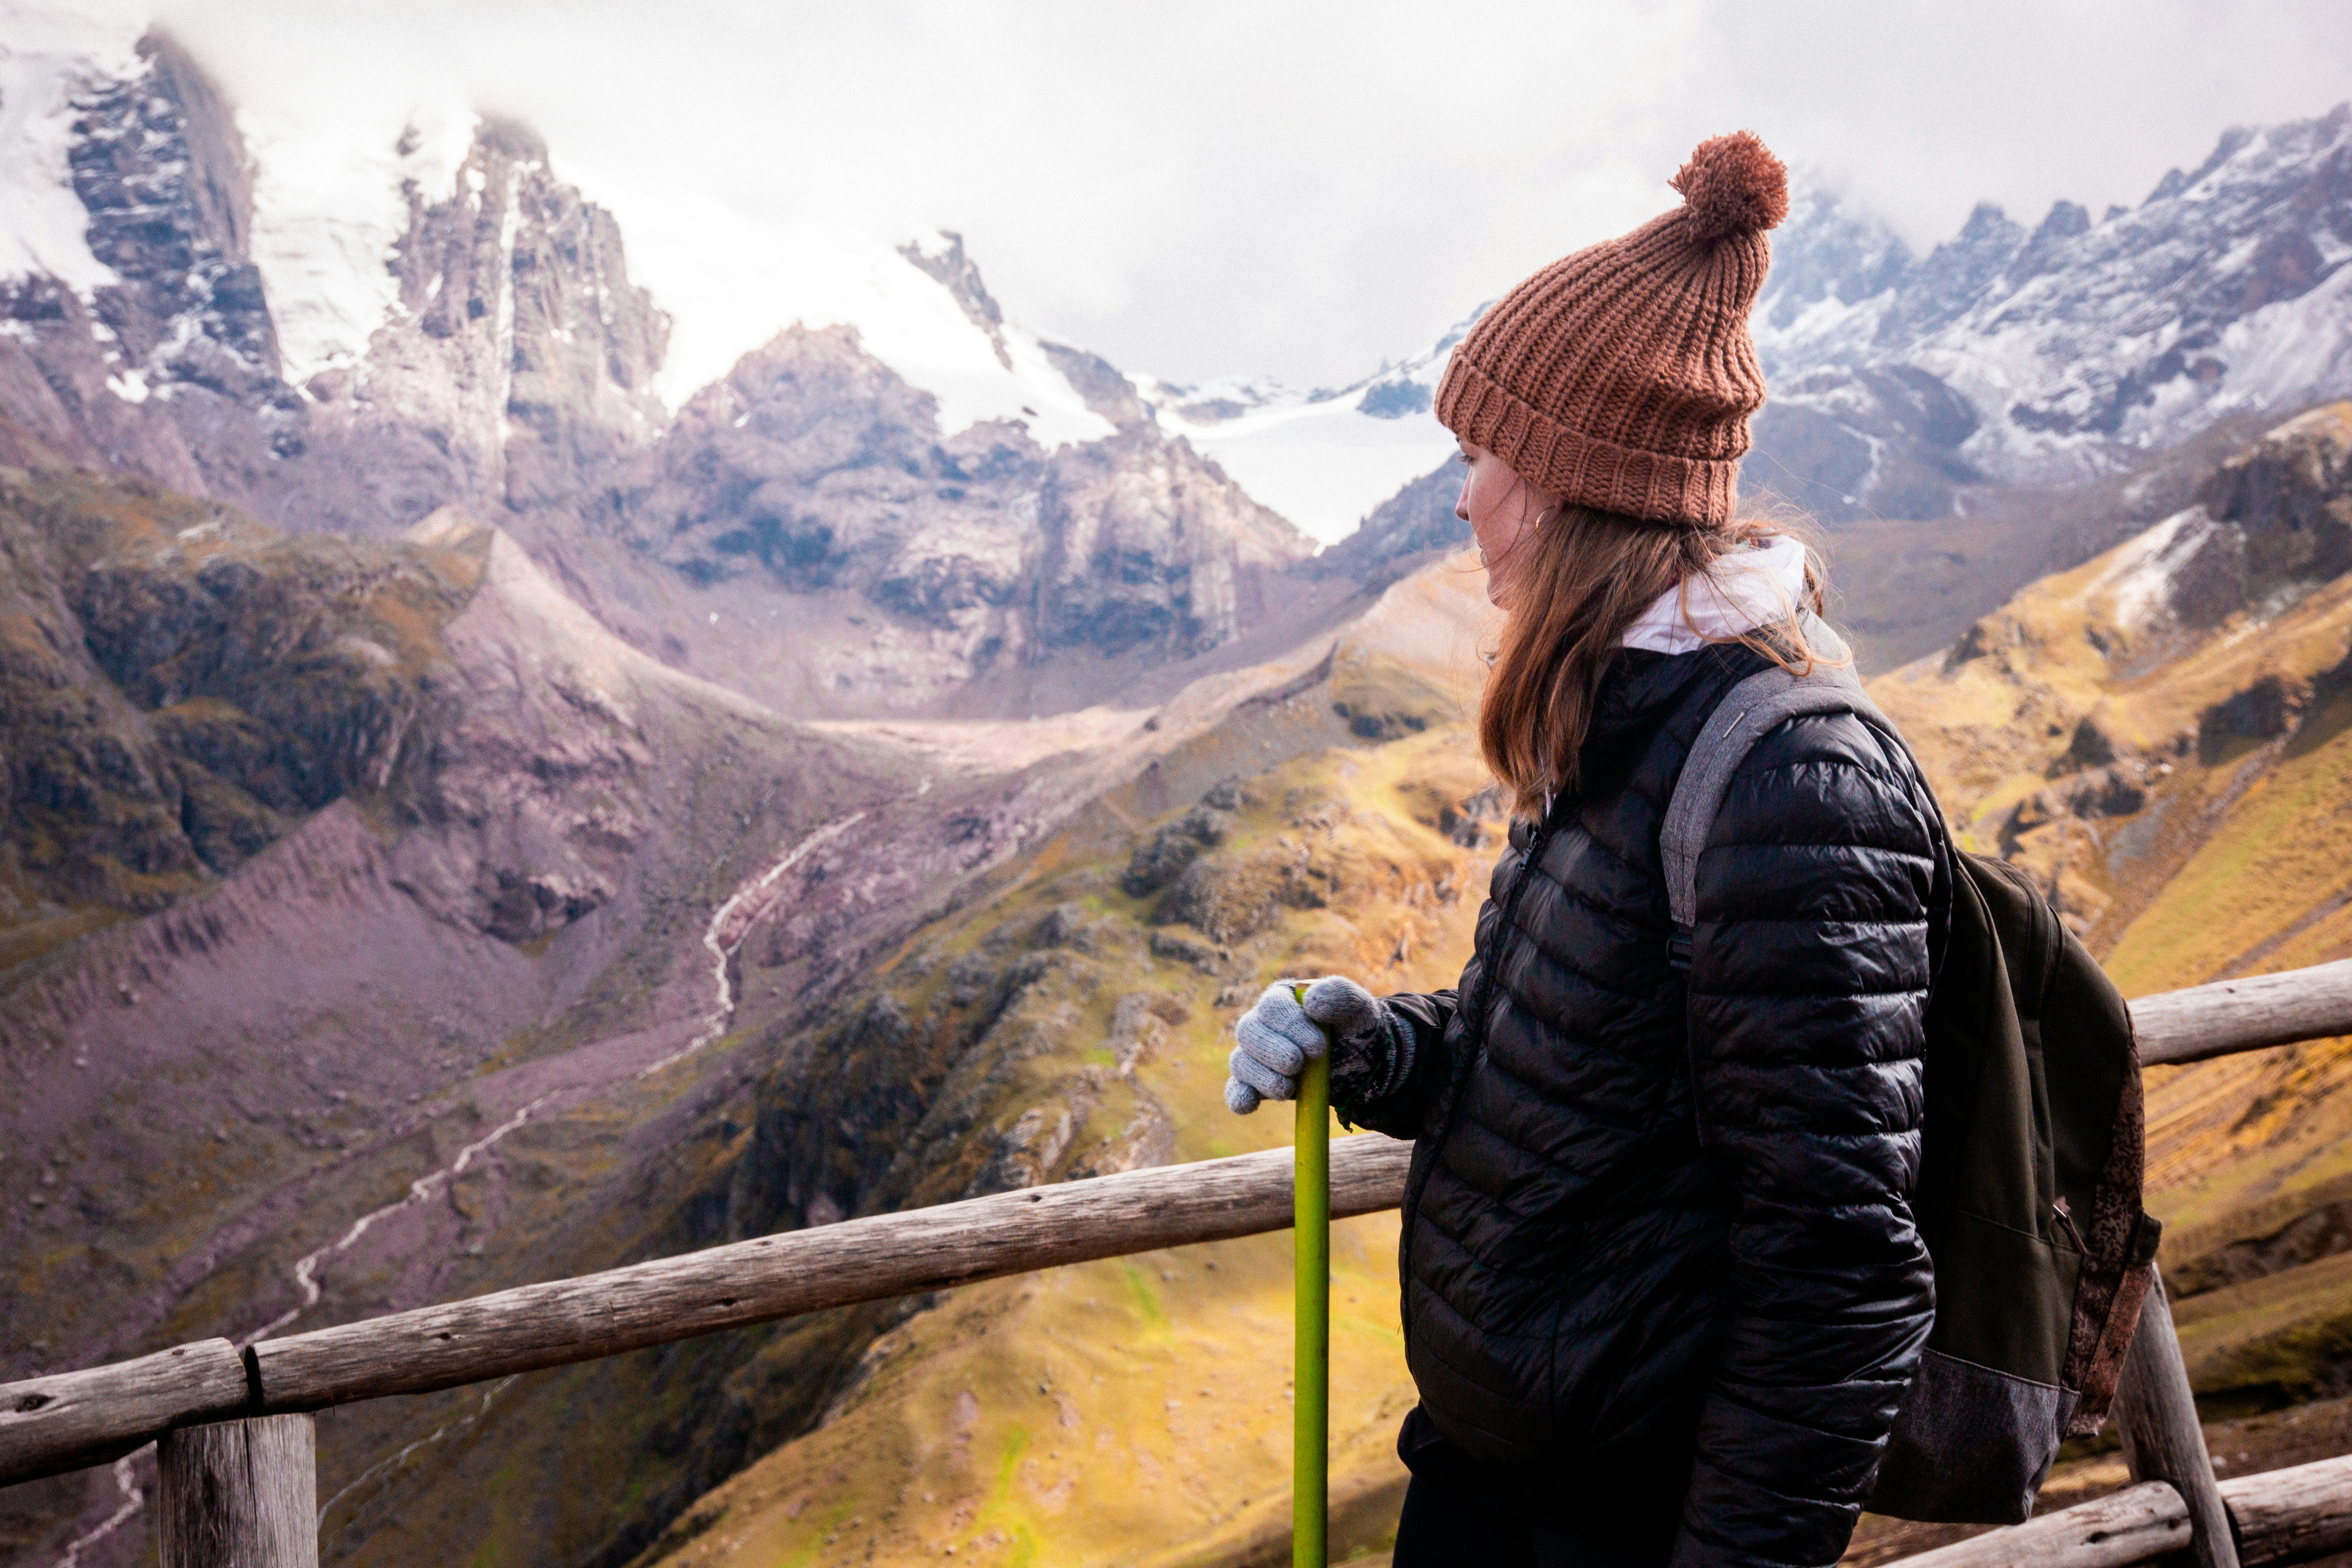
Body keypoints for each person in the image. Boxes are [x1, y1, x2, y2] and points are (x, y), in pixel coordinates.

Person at [1224, 131, 1950, 1568]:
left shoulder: (1786, 778)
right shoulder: (1624, 716)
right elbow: (1589, 1090)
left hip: (1618, 1515)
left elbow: (1840, 1273)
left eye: (1481, 454)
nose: (1462, 497)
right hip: (1501, 1478)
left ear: (1568, 484)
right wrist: (1381, 1050)